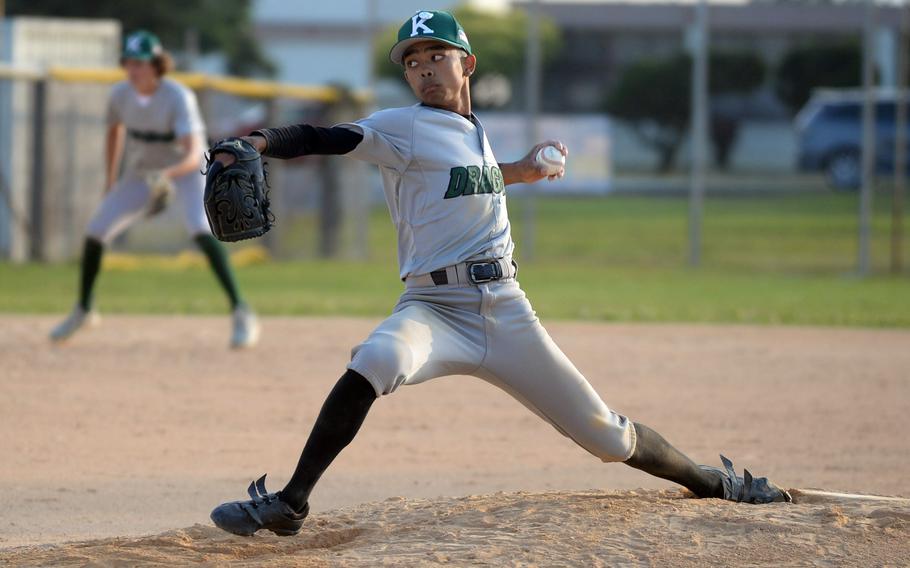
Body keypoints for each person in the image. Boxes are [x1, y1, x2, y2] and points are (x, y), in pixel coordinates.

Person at [209, 11, 789, 537]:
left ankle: (716, 483)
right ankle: (291, 502)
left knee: (607, 436)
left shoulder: (473, 132)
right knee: (377, 358)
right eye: (412, 62)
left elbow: (471, 180)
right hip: (434, 309)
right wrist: (256, 141)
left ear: (468, 64)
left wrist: (524, 170)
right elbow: (323, 136)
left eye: (436, 55)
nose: (424, 69)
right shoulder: (402, 127)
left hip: (507, 309)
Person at [49, 30, 259, 349]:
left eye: (141, 63)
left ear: (157, 65)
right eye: (129, 62)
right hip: (143, 170)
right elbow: (114, 131)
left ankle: (241, 311)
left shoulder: (178, 96)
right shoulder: (120, 94)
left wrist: (168, 175)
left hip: (185, 170)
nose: (134, 70)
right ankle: (84, 309)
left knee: (200, 229)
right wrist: (110, 179)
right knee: (96, 230)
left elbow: (192, 152)